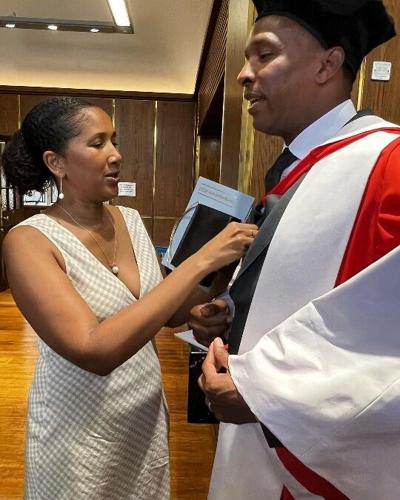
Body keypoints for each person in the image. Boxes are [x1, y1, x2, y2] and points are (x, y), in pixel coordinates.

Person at [190, 1, 400, 498]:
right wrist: (231, 314)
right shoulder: (294, 169)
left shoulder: (387, 164)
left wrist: (269, 396)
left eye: (265, 55)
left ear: (327, 65)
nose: (244, 75)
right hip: (253, 447)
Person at [1, 96, 258, 499]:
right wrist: (199, 260)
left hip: (142, 421)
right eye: (98, 143)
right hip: (77, 433)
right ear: (57, 163)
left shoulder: (131, 219)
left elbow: (164, 312)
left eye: (115, 141)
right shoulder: (30, 241)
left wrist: (201, 306)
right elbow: (94, 350)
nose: (116, 155)